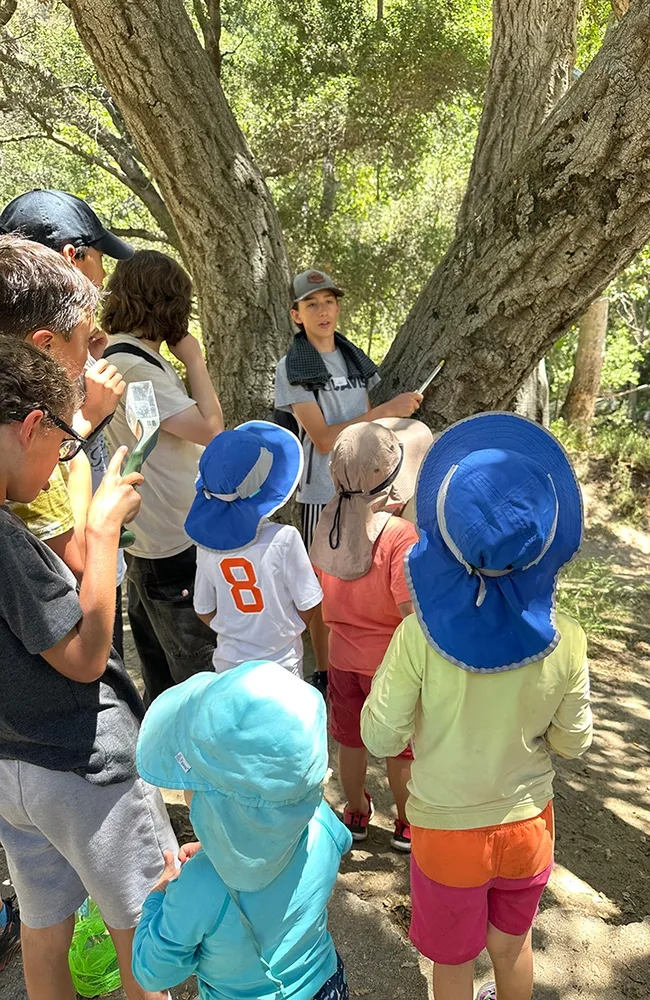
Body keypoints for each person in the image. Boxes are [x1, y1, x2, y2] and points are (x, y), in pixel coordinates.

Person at [360, 412, 594, 1000]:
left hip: (445, 831)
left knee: (454, 962)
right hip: (527, 825)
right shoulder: (566, 638)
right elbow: (574, 742)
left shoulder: (418, 636)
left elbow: (381, 738)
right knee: (511, 949)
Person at [0, 338, 177, 1000]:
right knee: (143, 934)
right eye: (61, 450)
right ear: (30, 427)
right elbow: (82, 658)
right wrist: (102, 536)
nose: (56, 471)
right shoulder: (5, 538)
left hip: (14, 769)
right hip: (83, 766)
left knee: (44, 931)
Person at [132, 661, 352, 999]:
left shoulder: (199, 884)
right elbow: (335, 841)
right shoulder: (320, 820)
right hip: (324, 984)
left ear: (220, 807)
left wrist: (158, 895)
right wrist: (228, 848)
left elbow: (153, 972)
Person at [274, 268, 423, 692]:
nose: (323, 311)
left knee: (368, 580)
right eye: (311, 304)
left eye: (329, 301)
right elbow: (322, 439)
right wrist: (386, 409)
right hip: (323, 492)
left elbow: (366, 430)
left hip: (369, 494)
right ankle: (325, 672)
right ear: (296, 315)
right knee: (322, 588)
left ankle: (369, 667)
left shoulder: (353, 358)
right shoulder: (292, 367)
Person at [0, 191, 135, 653]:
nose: (104, 278)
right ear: (70, 258)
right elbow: (74, 565)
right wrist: (84, 425)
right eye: (99, 260)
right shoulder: (30, 433)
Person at [101, 249, 224, 703]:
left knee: (164, 680)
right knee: (198, 683)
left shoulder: (129, 357)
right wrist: (195, 359)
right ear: (170, 305)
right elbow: (211, 430)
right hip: (171, 547)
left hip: (157, 541)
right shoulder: (132, 364)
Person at [310, 419, 432, 851]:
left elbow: (316, 600)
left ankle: (356, 811)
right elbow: (409, 613)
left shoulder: (327, 525)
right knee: (401, 751)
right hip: (391, 668)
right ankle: (407, 821)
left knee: (349, 741)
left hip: (342, 660)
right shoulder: (401, 536)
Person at [0, 234, 124, 581]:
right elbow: (77, 566)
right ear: (46, 346)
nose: (89, 354)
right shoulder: (25, 444)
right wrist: (82, 429)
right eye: (85, 341)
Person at [184, 419, 323, 676]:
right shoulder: (285, 538)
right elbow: (308, 603)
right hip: (282, 664)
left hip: (229, 665)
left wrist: (234, 630)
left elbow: (204, 609)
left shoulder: (207, 547)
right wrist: (284, 633)